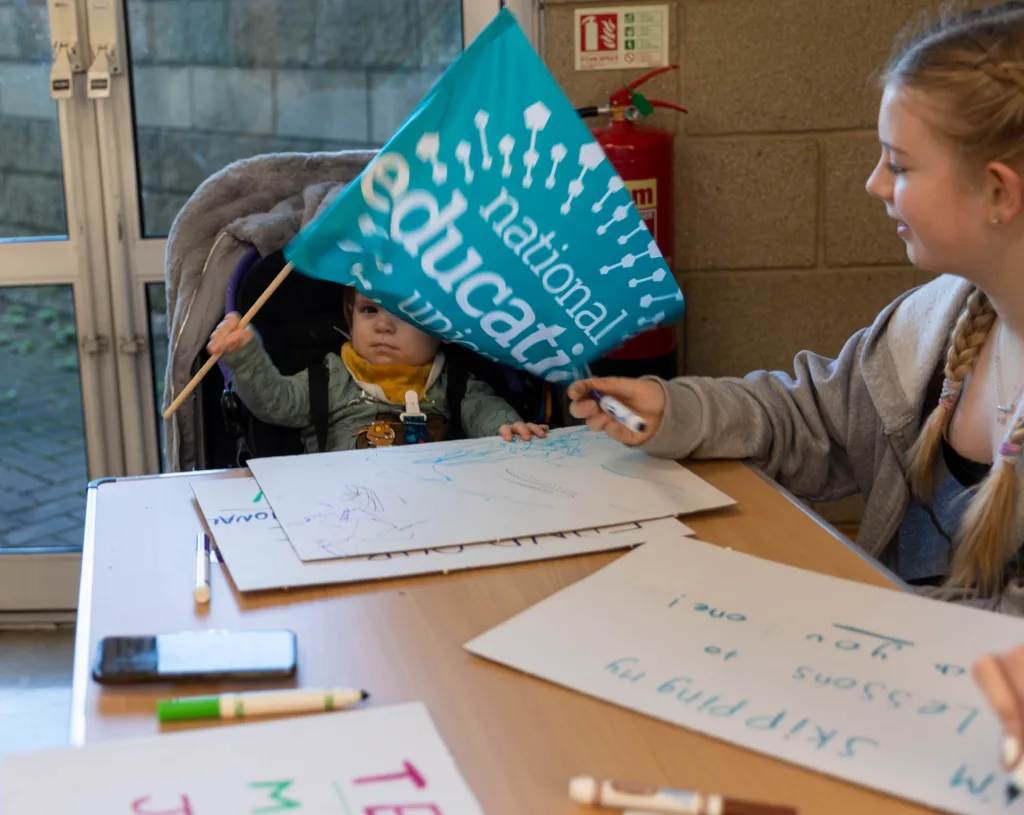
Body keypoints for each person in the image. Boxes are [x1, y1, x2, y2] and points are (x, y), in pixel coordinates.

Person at [569, 0, 1024, 615]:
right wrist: (677, 409)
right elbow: (812, 420)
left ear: (998, 190)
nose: (875, 184)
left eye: (900, 164)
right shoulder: (933, 323)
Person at [208, 288, 546, 451]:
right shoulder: (329, 379)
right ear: (349, 316)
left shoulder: (454, 385)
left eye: (406, 314)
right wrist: (245, 354)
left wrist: (509, 429)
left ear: (444, 330)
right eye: (369, 310)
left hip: (440, 503)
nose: (383, 325)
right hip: (345, 508)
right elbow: (275, 402)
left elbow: (488, 414)